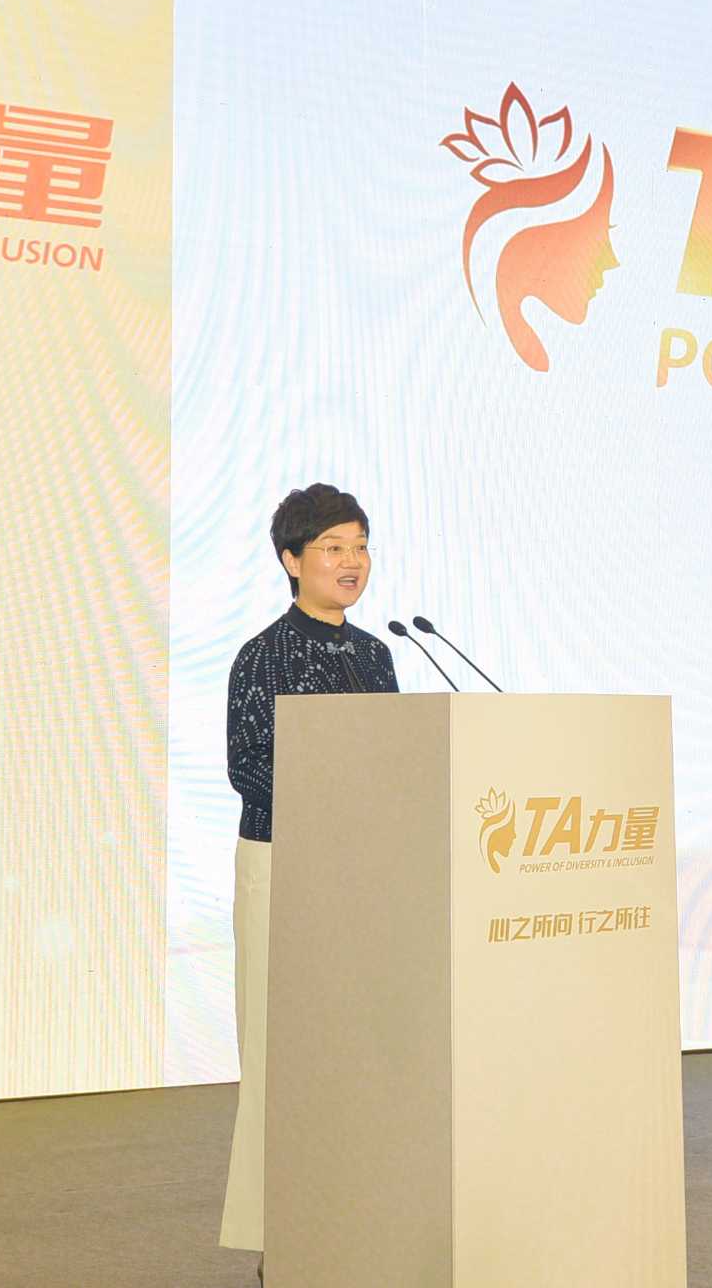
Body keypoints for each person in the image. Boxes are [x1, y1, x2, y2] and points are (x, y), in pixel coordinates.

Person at [218, 483, 398, 1271]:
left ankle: (354, 1219)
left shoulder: (377, 655)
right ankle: (283, 1238)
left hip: (364, 878)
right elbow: (250, 769)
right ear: (292, 561)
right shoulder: (264, 655)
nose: (351, 562)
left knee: (357, 1054)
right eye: (332, 548)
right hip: (285, 869)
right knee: (283, 1056)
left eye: (359, 546)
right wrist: (338, 810)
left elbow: (398, 762)